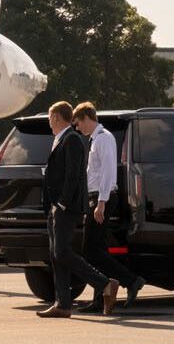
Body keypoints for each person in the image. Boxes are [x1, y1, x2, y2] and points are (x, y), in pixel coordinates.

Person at [38, 100, 119, 318]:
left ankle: (104, 283)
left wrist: (63, 202)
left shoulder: (71, 139)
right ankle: (63, 303)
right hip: (56, 207)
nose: (49, 122)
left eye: (49, 118)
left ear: (55, 118)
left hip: (67, 206)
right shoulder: (60, 139)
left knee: (62, 251)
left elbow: (74, 174)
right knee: (57, 255)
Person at [72, 102, 145, 313]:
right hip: (97, 198)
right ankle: (101, 297)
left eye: (78, 124)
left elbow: (107, 173)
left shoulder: (103, 138)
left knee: (90, 251)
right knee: (99, 249)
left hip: (101, 198)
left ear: (87, 118)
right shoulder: (96, 139)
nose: (78, 128)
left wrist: (101, 203)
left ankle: (130, 281)